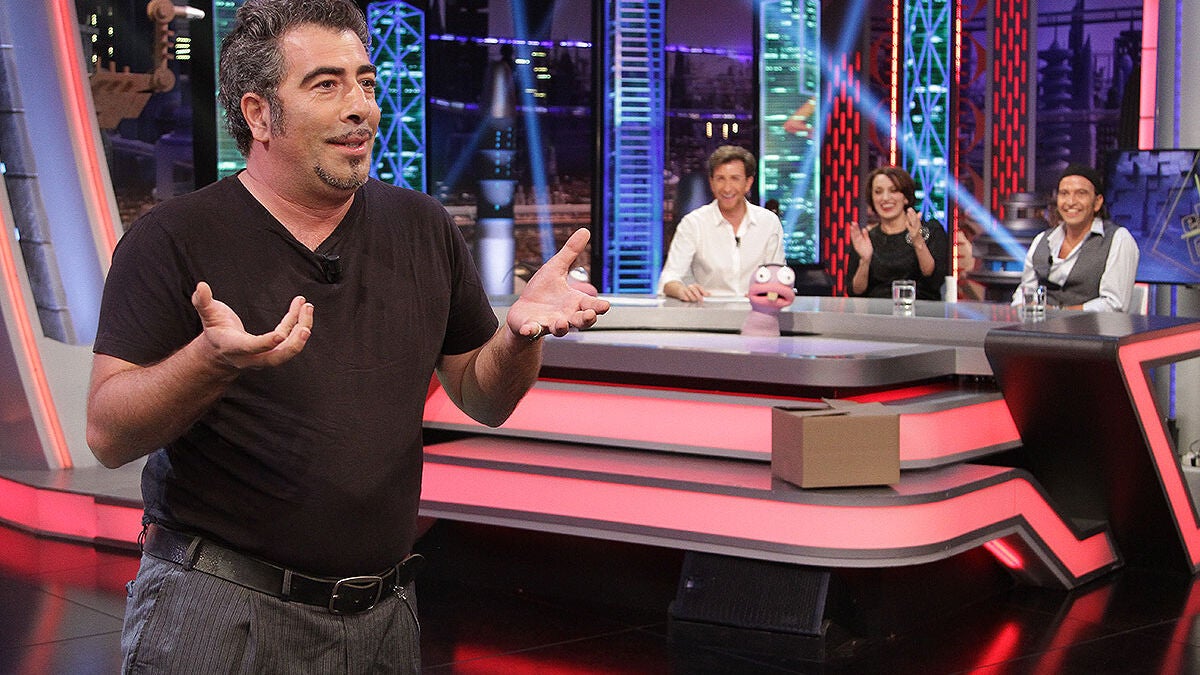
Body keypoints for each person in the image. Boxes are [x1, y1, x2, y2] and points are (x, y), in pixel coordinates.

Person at [84, 1, 609, 672]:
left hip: (385, 618)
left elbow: (484, 398)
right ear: (258, 115)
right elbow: (108, 434)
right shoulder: (172, 239)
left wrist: (518, 337)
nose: (361, 107)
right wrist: (209, 360)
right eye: (326, 85)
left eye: (365, 82)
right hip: (219, 610)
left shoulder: (423, 226)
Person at [659, 145, 785, 302]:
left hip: (759, 310)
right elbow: (669, 278)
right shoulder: (693, 223)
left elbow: (779, 278)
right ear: (712, 183)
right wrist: (681, 290)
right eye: (720, 179)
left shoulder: (768, 222)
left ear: (748, 183)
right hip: (708, 312)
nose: (727, 188)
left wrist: (768, 293)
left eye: (735, 178)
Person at [1010, 164, 1139, 311]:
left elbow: (1114, 305)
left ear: (1097, 202)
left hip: (1092, 326)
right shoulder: (1042, 240)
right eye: (1064, 193)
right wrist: (1022, 306)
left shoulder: (1118, 239)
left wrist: (1059, 314)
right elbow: (1025, 292)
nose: (1071, 202)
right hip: (1041, 324)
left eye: (1081, 193)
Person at [847, 166, 949, 300]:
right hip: (877, 310)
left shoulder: (930, 230)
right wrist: (865, 261)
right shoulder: (867, 239)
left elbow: (934, 281)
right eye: (878, 192)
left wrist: (918, 241)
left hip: (920, 308)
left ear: (905, 197)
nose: (885, 198)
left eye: (893, 190)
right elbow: (855, 291)